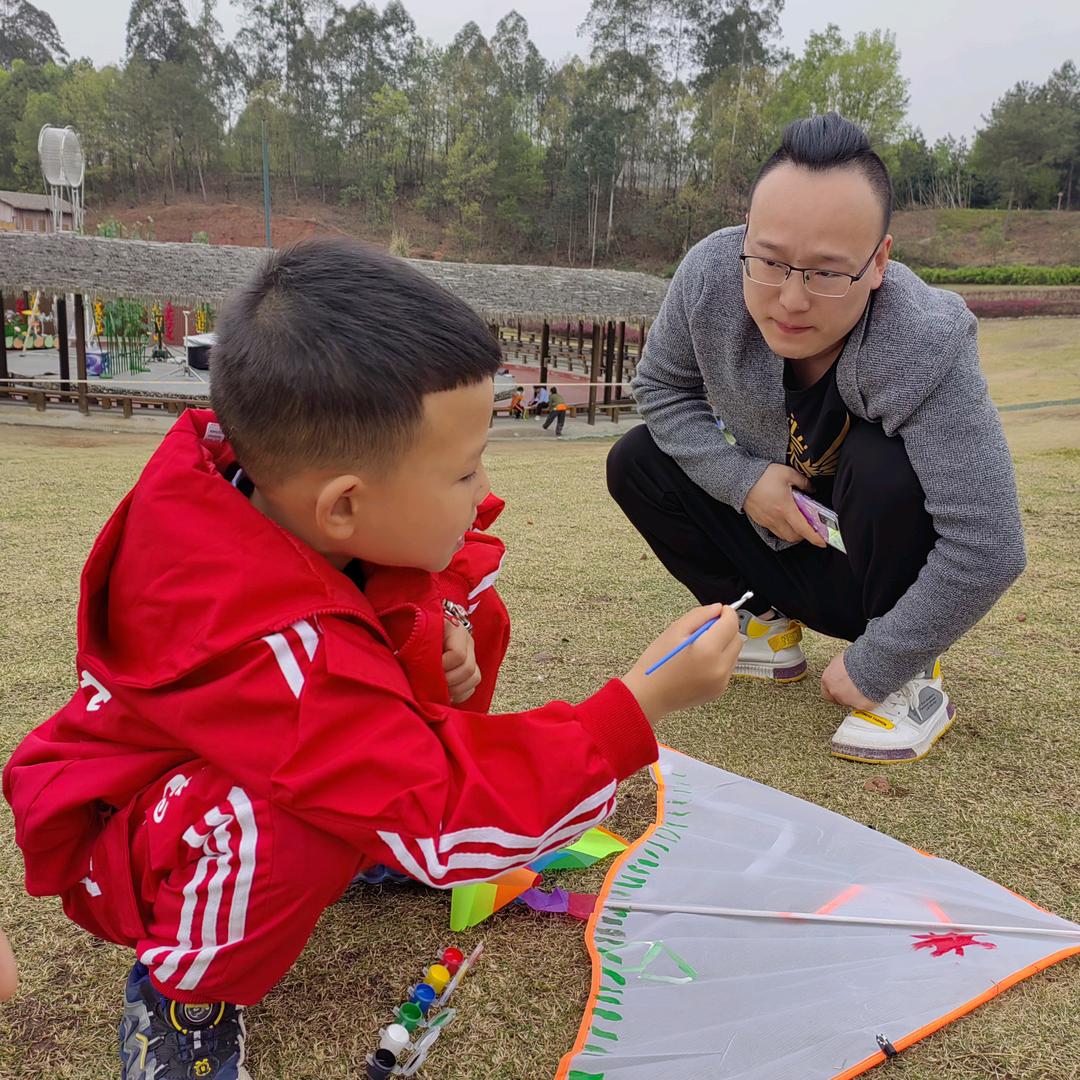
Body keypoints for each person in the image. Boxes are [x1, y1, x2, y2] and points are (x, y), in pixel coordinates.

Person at [3, 238, 743, 1080]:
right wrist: (633, 711)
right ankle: (181, 992)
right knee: (274, 819)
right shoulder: (276, 653)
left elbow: (432, 565)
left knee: (469, 614)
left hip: (255, 757)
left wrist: (445, 617)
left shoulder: (271, 493)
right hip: (132, 837)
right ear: (345, 505)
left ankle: (366, 849)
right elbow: (439, 803)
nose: (483, 487)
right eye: (464, 471)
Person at [608, 113, 1026, 764]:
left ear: (879, 261)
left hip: (868, 566)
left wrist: (884, 657)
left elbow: (992, 544)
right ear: (744, 237)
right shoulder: (709, 277)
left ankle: (913, 681)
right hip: (783, 533)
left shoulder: (926, 342)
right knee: (636, 459)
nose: (791, 300)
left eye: (827, 273)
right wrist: (745, 484)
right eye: (769, 262)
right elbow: (661, 389)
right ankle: (766, 630)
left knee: (881, 462)